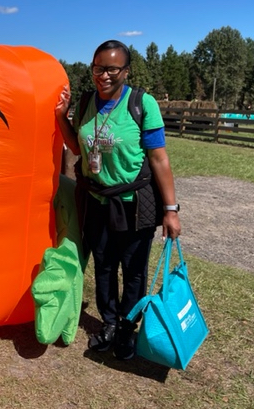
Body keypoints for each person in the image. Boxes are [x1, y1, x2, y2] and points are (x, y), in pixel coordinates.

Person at [55, 40, 181, 361]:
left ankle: (127, 329)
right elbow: (78, 148)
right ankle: (109, 323)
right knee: (104, 265)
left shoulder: (142, 103)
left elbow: (159, 159)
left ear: (126, 70)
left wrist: (171, 210)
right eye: (98, 68)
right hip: (96, 200)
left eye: (113, 68)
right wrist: (61, 118)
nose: (104, 75)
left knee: (134, 270)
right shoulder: (85, 103)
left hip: (135, 203)